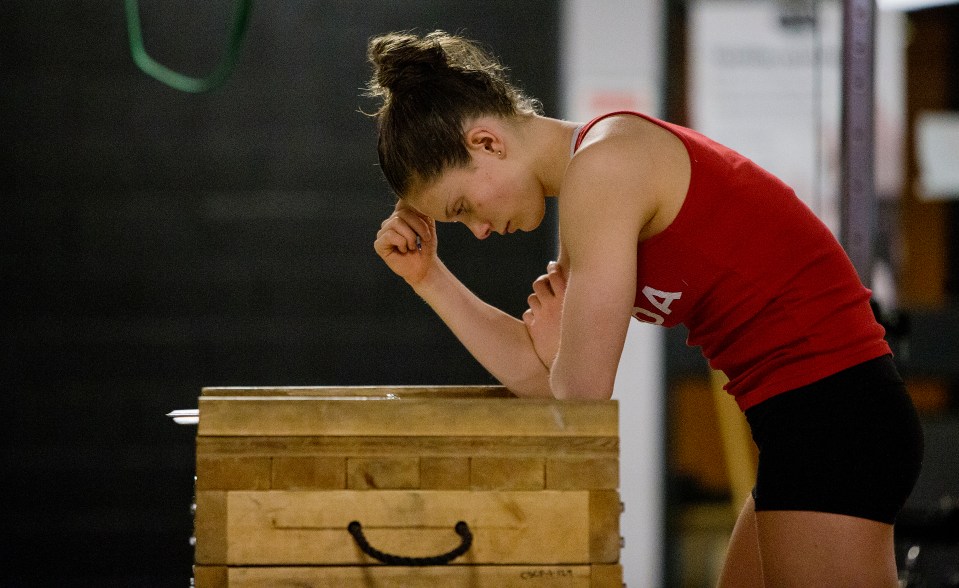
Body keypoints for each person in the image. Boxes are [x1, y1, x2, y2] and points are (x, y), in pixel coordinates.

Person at [368, 30, 923, 587]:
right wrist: (429, 278)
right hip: (802, 424)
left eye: (464, 208)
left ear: (487, 142)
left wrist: (561, 361)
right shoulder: (587, 194)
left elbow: (579, 397)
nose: (481, 231)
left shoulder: (607, 167)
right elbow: (545, 382)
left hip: (836, 416)